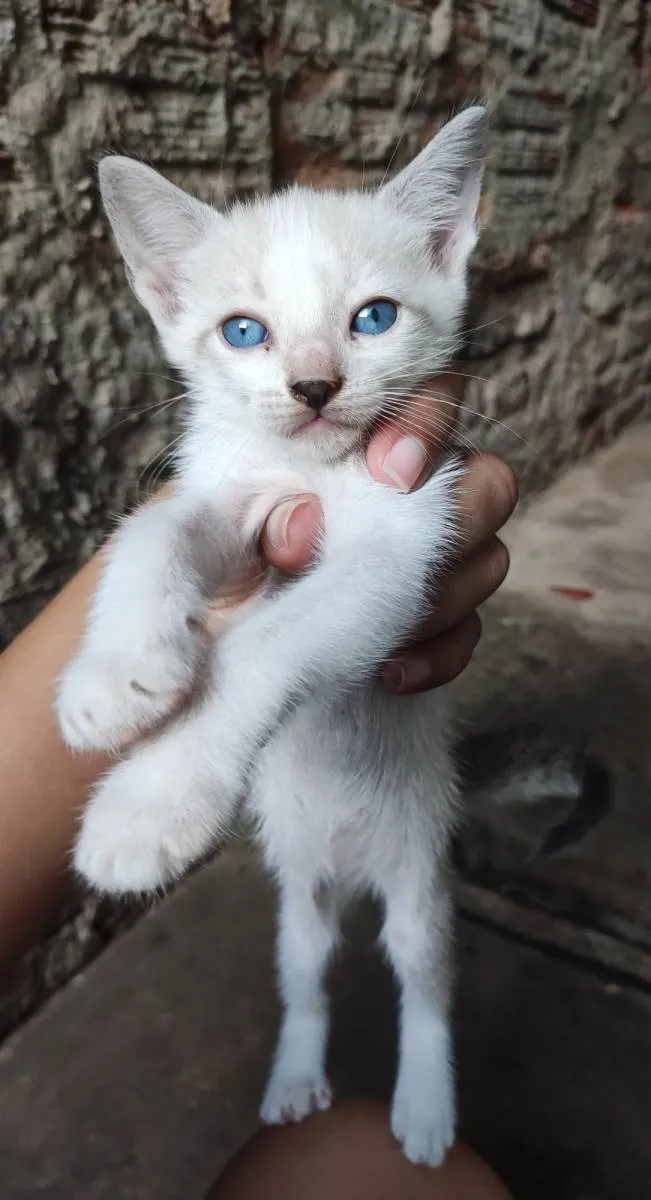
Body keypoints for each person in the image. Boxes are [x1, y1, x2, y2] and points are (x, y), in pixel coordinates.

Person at [0, 376, 517, 1198]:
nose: (312, 377)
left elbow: (373, 573)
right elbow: (185, 521)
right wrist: (151, 631)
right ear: (164, 295)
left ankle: (427, 1054)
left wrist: (208, 693)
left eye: (367, 318)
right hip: (298, 783)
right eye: (246, 329)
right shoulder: (223, 451)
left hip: (397, 778)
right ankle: (300, 1043)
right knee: (304, 918)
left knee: (415, 927)